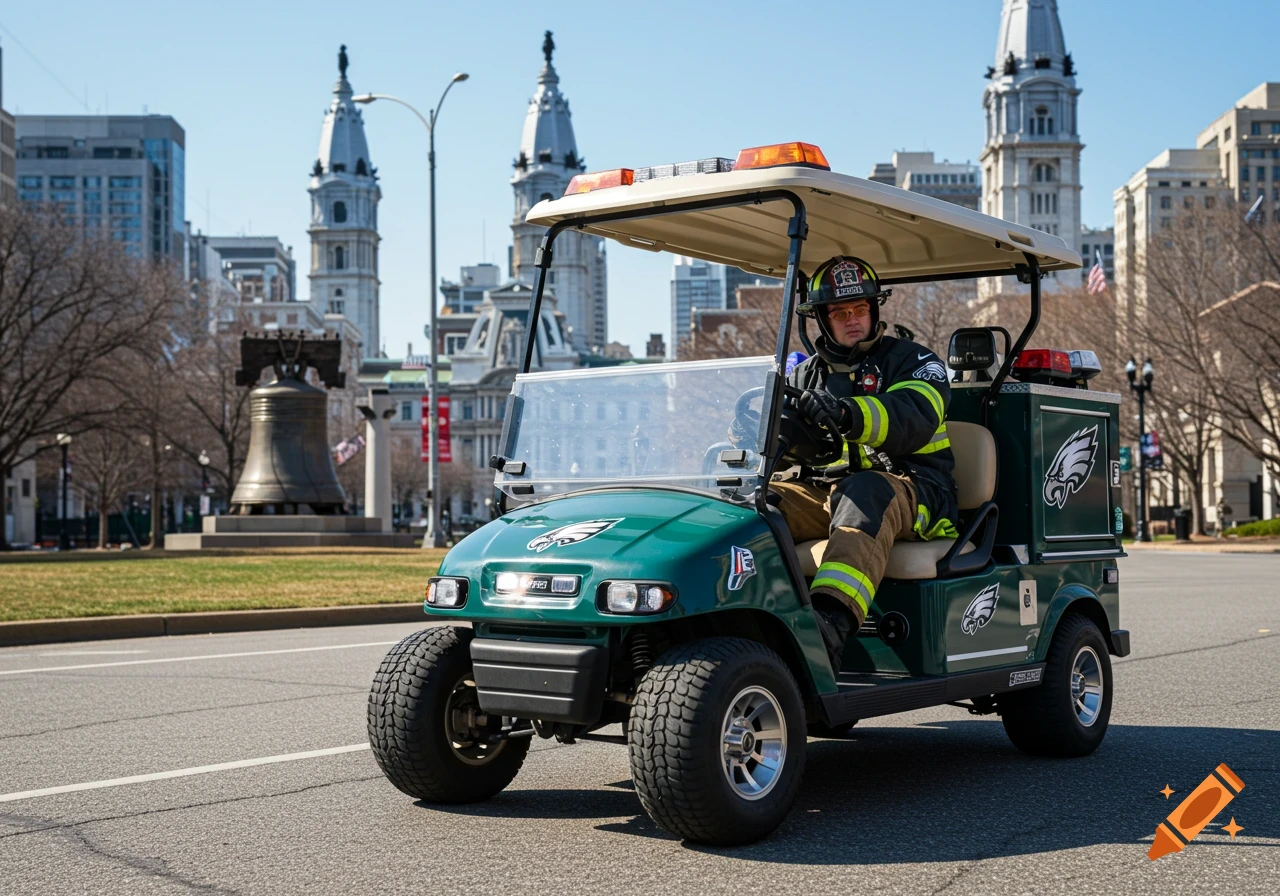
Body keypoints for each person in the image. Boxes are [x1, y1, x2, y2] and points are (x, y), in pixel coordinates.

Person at [773, 256, 959, 669]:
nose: (852, 319)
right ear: (822, 319)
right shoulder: (805, 376)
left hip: (913, 490)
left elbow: (912, 416)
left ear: (875, 310)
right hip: (825, 492)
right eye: (840, 312)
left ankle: (826, 629)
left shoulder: (916, 362)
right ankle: (747, 618)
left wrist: (845, 413)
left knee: (864, 490)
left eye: (860, 309)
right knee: (759, 503)